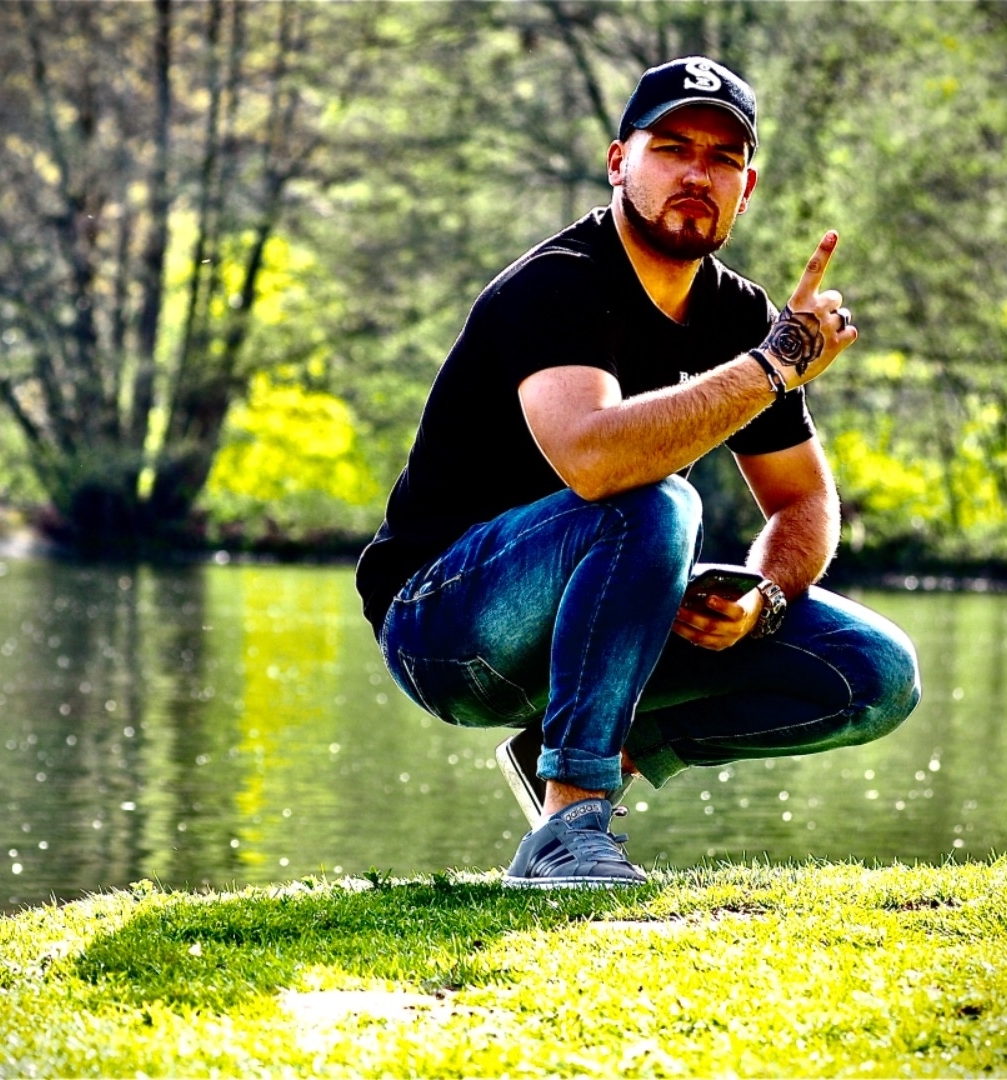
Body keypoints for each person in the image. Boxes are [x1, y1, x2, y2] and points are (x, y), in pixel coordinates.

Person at [355, 56, 921, 888]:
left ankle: (566, 754)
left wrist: (761, 600)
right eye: (673, 148)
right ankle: (569, 825)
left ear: (746, 188)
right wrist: (771, 367)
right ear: (620, 162)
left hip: (603, 622)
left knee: (874, 673)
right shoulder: (557, 284)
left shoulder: (741, 315)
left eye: (723, 158)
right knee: (653, 503)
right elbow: (595, 462)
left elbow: (802, 498)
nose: (697, 173)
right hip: (444, 627)